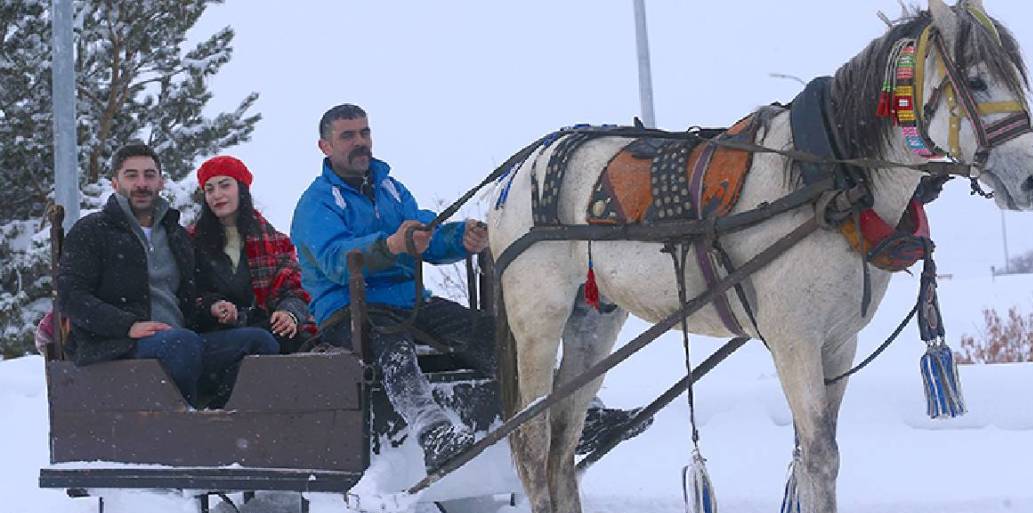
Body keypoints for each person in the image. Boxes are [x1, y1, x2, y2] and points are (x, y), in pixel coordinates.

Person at [291, 104, 649, 470]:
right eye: (348, 136)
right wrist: (391, 246)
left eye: (364, 133)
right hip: (348, 311)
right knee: (391, 344)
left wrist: (461, 237)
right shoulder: (316, 203)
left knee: (490, 334)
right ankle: (432, 431)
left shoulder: (391, 190)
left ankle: (578, 414)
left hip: (408, 303)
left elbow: (426, 233)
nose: (360, 142)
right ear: (325, 146)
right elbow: (335, 260)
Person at [56, 143, 280, 408]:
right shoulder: (92, 231)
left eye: (149, 175)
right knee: (180, 344)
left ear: (161, 182)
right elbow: (71, 296)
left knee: (259, 341)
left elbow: (195, 295)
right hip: (118, 344)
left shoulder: (178, 236)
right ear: (115, 183)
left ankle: (221, 415)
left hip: (184, 341)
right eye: (132, 175)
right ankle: (184, 422)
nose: (142, 183)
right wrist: (128, 326)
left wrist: (213, 307)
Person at [190, 155, 315, 354]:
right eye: (209, 189)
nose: (217, 195)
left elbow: (296, 290)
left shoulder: (276, 242)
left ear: (241, 189)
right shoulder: (191, 242)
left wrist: (288, 314)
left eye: (224, 185)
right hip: (214, 334)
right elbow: (188, 293)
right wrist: (213, 306)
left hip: (267, 328)